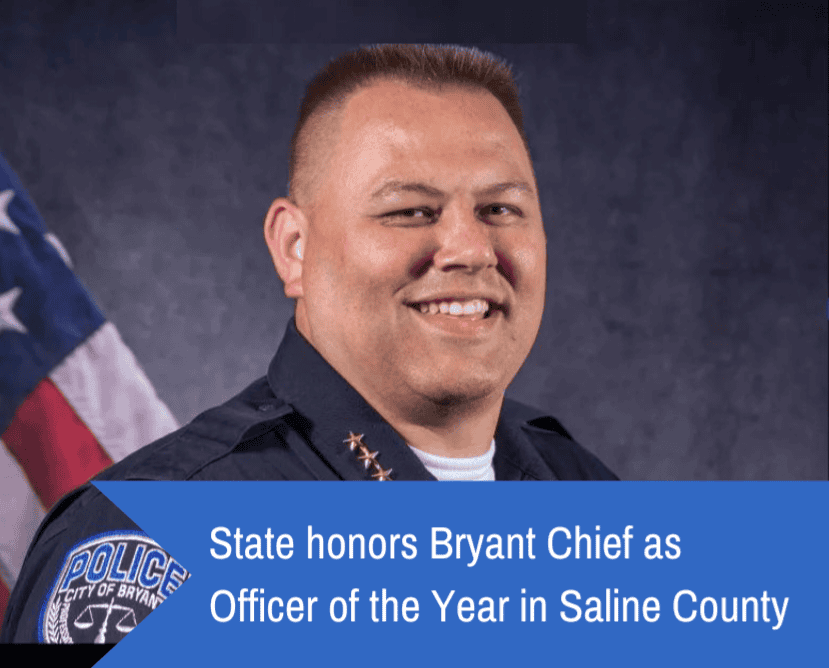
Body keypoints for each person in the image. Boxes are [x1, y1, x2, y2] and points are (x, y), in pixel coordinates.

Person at [0, 43, 617, 645]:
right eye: (410, 211)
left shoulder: (588, 498)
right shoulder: (155, 543)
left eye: (500, 209)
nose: (472, 249)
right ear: (295, 248)